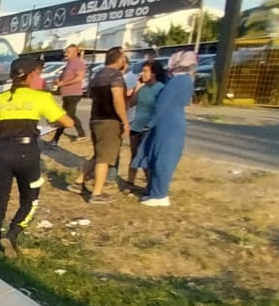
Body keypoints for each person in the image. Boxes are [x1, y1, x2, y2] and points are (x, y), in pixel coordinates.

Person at [0, 57, 75, 257]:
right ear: (32, 75)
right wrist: (48, 126)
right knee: (30, 199)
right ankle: (13, 233)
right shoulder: (40, 97)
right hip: (28, 154)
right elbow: (68, 122)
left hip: (3, 153)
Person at [134, 50, 196, 207]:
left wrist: (151, 122)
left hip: (167, 123)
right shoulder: (185, 80)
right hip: (171, 122)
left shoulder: (177, 81)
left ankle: (159, 195)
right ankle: (154, 192)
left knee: (162, 159)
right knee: (157, 157)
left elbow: (163, 103)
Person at [71, 47, 128, 204]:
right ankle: (97, 193)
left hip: (95, 118)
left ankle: (78, 182)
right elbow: (117, 99)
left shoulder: (97, 75)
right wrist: (124, 121)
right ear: (118, 59)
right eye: (124, 57)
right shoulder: (115, 75)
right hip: (110, 120)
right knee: (104, 158)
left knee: (98, 155)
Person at [123, 59, 167, 193]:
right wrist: (136, 88)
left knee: (145, 158)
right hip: (136, 126)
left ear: (154, 73)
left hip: (149, 128)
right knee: (134, 155)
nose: (142, 73)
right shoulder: (143, 88)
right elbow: (131, 103)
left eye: (146, 71)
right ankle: (130, 182)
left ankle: (150, 185)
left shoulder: (160, 88)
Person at [48, 44, 86, 146]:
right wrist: (58, 81)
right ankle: (81, 134)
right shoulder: (68, 63)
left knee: (66, 115)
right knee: (70, 114)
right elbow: (65, 77)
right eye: (65, 52)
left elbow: (79, 78)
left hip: (74, 93)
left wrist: (63, 83)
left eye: (68, 52)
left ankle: (55, 139)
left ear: (75, 53)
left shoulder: (78, 63)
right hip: (66, 94)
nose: (65, 54)